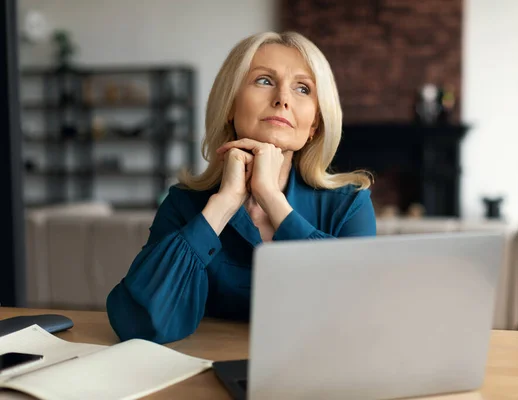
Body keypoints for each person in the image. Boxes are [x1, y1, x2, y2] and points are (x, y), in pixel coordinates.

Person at [106, 31, 377, 344]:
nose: (283, 99)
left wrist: (273, 201)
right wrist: (224, 204)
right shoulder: (184, 204)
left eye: (302, 88)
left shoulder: (350, 205)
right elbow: (138, 325)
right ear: (230, 105)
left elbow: (361, 316)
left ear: (314, 124)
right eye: (264, 80)